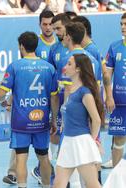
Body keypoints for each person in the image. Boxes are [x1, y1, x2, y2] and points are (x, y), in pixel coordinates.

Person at [0, 31, 59, 188]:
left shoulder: (15, 67)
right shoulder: (49, 68)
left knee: (21, 158)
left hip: (21, 122)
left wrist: (4, 102)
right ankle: (46, 186)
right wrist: (53, 120)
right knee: (44, 157)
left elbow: (0, 93)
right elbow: (54, 97)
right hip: (41, 121)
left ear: (21, 47)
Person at [31, 13, 71, 185]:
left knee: (71, 135)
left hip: (75, 100)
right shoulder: (55, 49)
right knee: (53, 131)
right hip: (56, 99)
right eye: (49, 26)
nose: (53, 30)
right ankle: (47, 168)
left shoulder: (80, 48)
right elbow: (50, 73)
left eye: (56, 28)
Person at [53, 53, 104, 188]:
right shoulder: (70, 89)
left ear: (78, 69)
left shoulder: (85, 92)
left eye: (69, 64)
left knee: (93, 184)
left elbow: (96, 120)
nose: (65, 67)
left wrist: (92, 142)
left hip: (81, 143)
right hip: (67, 142)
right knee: (58, 184)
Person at [105, 12, 126, 168]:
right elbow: (108, 75)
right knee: (118, 139)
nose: (123, 28)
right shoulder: (114, 46)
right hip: (119, 102)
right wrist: (109, 96)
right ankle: (117, 179)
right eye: (121, 24)